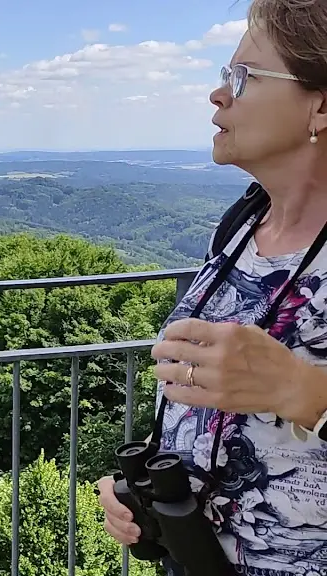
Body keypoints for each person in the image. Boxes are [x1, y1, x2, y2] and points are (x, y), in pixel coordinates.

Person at [94, 1, 327, 574]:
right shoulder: (243, 226)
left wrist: (307, 393)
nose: (217, 95)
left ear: (320, 104)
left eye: (243, 77)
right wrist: (146, 492)